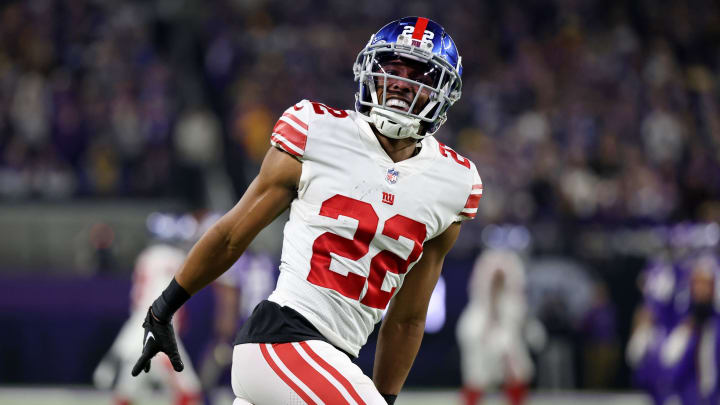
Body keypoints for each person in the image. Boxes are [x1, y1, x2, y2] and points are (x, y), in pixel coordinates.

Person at [131, 16, 481, 405]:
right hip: (281, 338)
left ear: (443, 91)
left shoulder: (453, 184)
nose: (400, 82)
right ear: (370, 72)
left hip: (328, 363)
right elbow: (232, 236)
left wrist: (383, 398)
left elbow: (407, 318)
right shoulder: (319, 131)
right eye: (392, 69)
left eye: (417, 74)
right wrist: (162, 311)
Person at [93, 242, 202, 405]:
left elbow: (140, 303)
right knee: (189, 391)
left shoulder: (146, 257)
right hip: (161, 329)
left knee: (128, 390)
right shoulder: (176, 258)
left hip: (143, 326)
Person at [456, 249, 536, 405]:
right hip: (487, 324)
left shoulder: (496, 261)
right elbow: (497, 279)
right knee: (485, 373)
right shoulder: (503, 263)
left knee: (511, 371)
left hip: (488, 321)